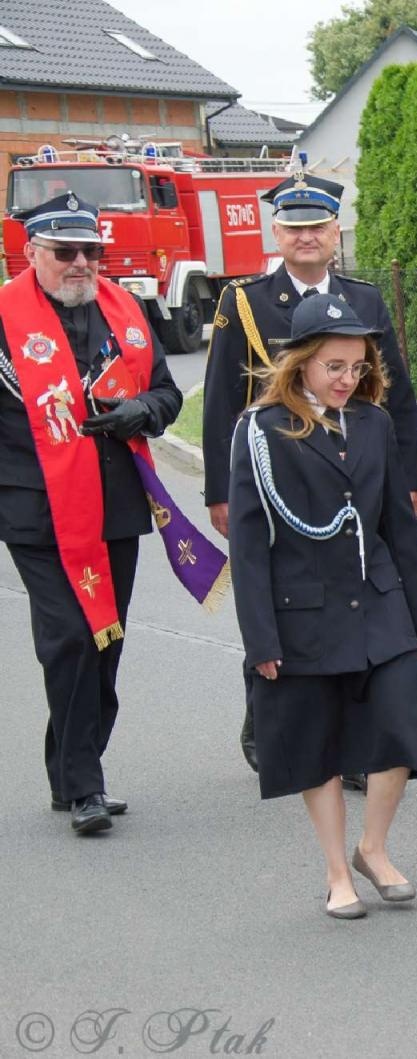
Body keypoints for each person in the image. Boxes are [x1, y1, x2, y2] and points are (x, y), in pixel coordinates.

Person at [203, 173, 417, 779]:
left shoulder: (366, 299)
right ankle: (269, 704)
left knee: (350, 594)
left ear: (335, 233)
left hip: (354, 468)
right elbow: (224, 397)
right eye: (294, 227)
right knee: (281, 591)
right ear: (276, 233)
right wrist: (220, 492)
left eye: (318, 227)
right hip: (279, 478)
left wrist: (410, 477)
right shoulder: (243, 302)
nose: (307, 237)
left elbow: (394, 397)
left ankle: (352, 741)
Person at [227, 293, 417, 919]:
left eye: (357, 366)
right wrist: (260, 639)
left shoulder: (374, 423)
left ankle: (374, 848)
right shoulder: (262, 431)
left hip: (379, 605)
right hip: (304, 612)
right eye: (333, 367)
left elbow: (399, 527)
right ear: (300, 365)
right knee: (317, 744)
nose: (347, 379)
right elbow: (248, 541)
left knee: (402, 727)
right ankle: (335, 871)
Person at [0, 193, 183, 833]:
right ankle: (85, 786)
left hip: (114, 505)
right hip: (35, 510)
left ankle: (69, 769)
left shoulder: (123, 310)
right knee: (73, 639)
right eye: (65, 252)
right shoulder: (4, 317)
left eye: (91, 251)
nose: (81, 263)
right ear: (31, 252)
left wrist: (146, 413)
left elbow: (167, 390)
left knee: (107, 642)